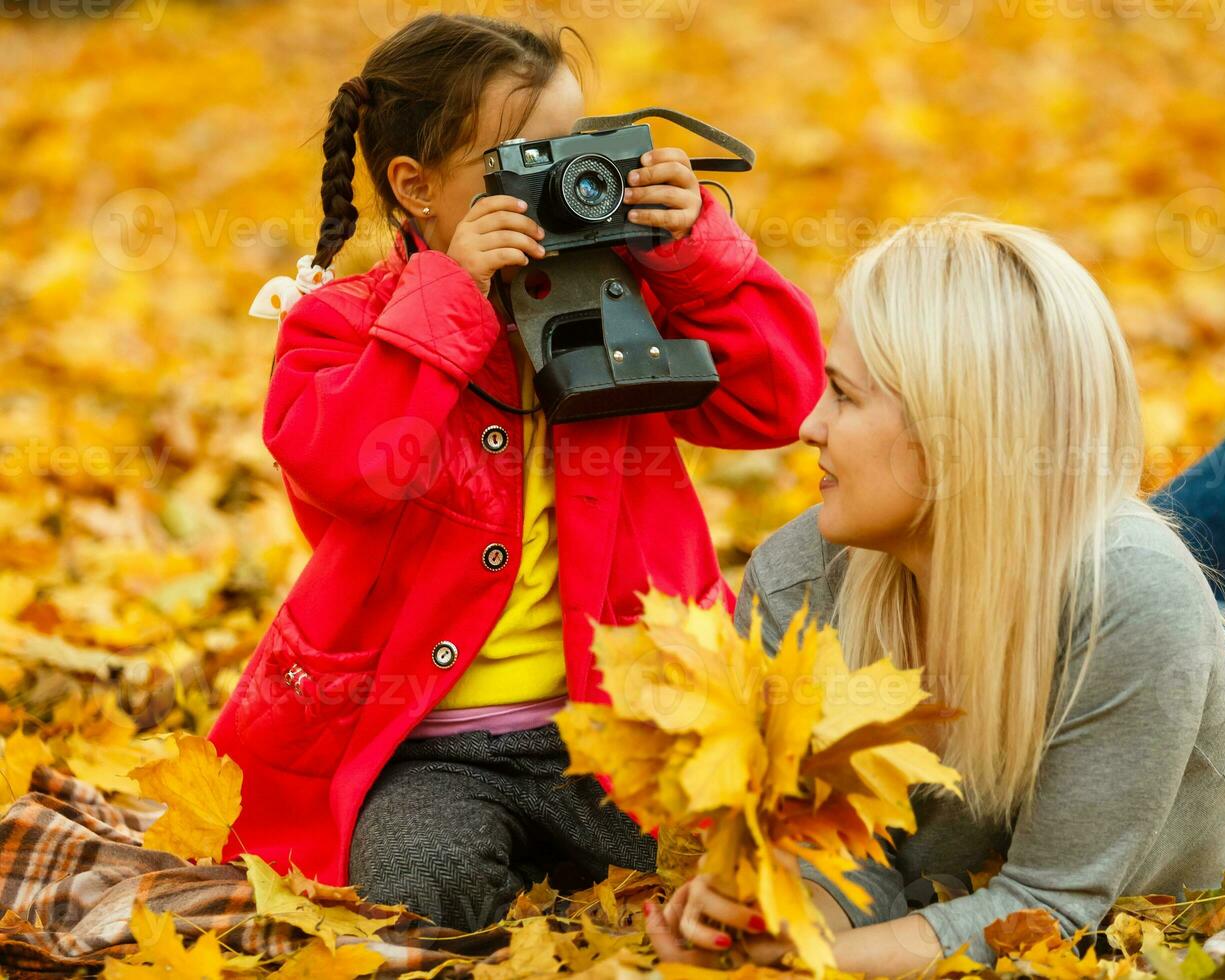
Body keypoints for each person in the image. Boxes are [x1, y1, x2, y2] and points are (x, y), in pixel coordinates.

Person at [645, 215, 1225, 971]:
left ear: (954, 431)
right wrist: (782, 918)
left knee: (1182, 577)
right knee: (1111, 546)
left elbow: (1049, 907)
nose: (807, 426)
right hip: (1106, 588)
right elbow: (840, 857)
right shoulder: (797, 580)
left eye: (846, 395)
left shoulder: (1137, 592)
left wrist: (813, 964)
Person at [204, 14, 824, 932]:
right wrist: (447, 307)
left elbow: (774, 401)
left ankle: (570, 886)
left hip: (628, 732)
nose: (559, 183)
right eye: (517, 165)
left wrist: (695, 254)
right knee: (417, 888)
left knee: (736, 875)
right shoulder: (342, 327)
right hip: (431, 750)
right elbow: (348, 473)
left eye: (571, 153)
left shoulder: (629, 291)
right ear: (416, 188)